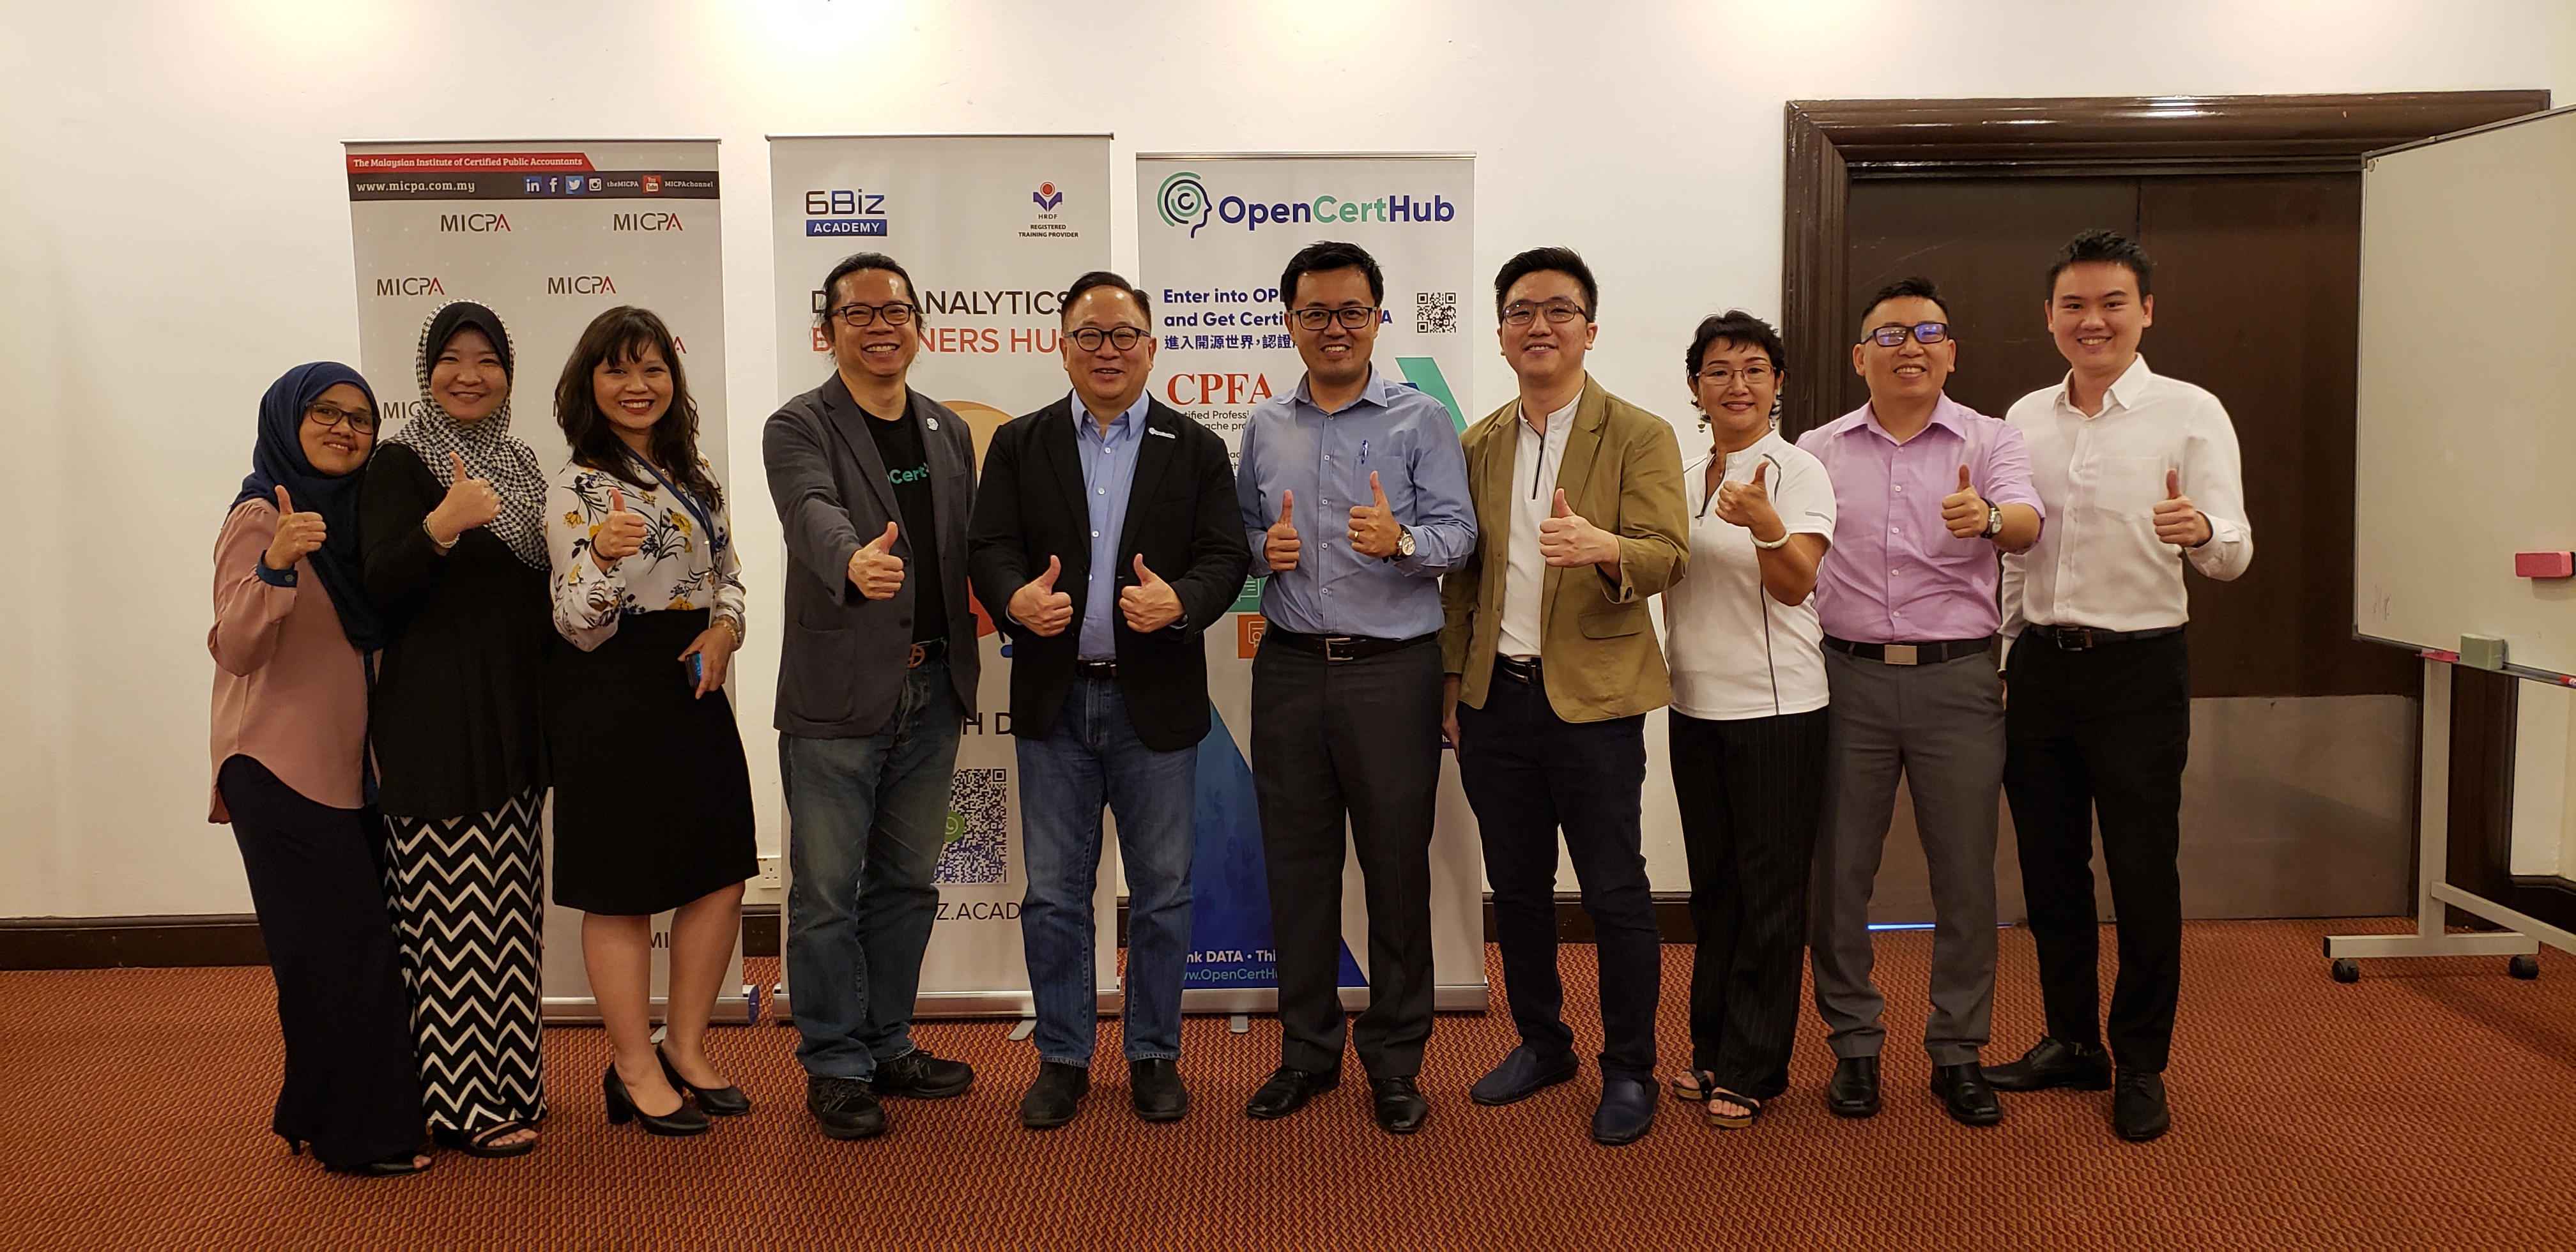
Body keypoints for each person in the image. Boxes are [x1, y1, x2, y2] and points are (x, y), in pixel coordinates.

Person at [967, 270, 1250, 1130]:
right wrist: (1014, 597)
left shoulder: (1193, 447)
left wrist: (1183, 602)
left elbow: (1225, 556)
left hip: (1153, 703)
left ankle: (1154, 1053)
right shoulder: (1019, 444)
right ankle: (1063, 1057)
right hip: (1055, 703)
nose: (1107, 350)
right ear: (1062, 347)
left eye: (1124, 335)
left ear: (1151, 348)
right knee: (1055, 893)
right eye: (1089, 335)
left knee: (1162, 891)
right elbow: (989, 546)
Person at [1986, 231, 2251, 1143]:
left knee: (2142, 871)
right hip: (2040, 667)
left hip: (2139, 668)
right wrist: (2005, 656)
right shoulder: (2024, 417)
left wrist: (2199, 528)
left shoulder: (2191, 412)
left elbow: (2234, 553)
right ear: (2049, 315)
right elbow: (2015, 552)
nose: (2091, 321)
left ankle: (2140, 1061)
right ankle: (2070, 1040)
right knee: (2050, 867)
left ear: (2146, 311)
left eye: (2111, 304)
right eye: (2074, 305)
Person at [1439, 247, 1687, 1147]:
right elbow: (1462, 581)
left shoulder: (1640, 434)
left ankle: (1630, 1068)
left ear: (1590, 328)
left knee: (1616, 890)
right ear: (1502, 333)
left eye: (1558, 310)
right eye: (1521, 311)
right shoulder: (1479, 442)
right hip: (1493, 702)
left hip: (1595, 706)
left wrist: (1605, 546)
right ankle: (1544, 1044)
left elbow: (1669, 553)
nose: (1538, 325)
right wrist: (1452, 685)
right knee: (1517, 888)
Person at [1234, 241, 1476, 1136]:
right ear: (1290, 322)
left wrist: (1401, 541)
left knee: (1396, 869)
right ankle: (1306, 1051)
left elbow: (1460, 536)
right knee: (1297, 870)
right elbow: (1237, 535)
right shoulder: (1265, 424)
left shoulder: (1422, 420)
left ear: (1378, 318)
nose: (1333, 328)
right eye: (1315, 313)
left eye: (1350, 312)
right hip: (1291, 668)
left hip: (1393, 673)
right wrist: (1263, 551)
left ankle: (1396, 1058)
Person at [1797, 276, 2042, 1129]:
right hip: (1846, 678)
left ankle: (1958, 1050)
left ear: (1952, 353)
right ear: (1859, 356)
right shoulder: (1819, 449)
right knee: (1838, 874)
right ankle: (1854, 1045)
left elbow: (2028, 521)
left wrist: (1988, 519)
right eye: (1892, 333)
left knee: (1966, 874)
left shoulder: (1991, 437)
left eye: (1929, 332)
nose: (1912, 346)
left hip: (1957, 680)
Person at [763, 252, 982, 1141]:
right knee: (825, 892)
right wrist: (851, 558)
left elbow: (971, 547)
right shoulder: (799, 424)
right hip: (837, 695)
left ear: (919, 324)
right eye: (859, 313)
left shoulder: (946, 429)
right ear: (828, 330)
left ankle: (888, 1040)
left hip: (934, 686)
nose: (880, 326)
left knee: (906, 884)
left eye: (895, 310)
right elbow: (809, 509)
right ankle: (834, 1062)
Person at [544, 306, 757, 1138]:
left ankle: (686, 1046)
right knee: (621, 887)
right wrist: (601, 555)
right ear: (589, 385)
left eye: (653, 368)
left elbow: (730, 576)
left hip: (694, 683)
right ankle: (633, 1065)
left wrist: (726, 630)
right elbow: (574, 622)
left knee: (720, 874)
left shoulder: (693, 473)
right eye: (618, 369)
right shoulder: (576, 485)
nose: (638, 386)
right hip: (609, 690)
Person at [210, 363, 427, 1177]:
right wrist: (274, 564)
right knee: (348, 956)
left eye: (361, 418)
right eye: (326, 413)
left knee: (320, 954)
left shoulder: (356, 518)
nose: (345, 429)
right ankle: (361, 1136)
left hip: (346, 770)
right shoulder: (262, 511)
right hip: (276, 766)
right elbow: (234, 646)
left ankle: (309, 1107)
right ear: (288, 420)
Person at [360, 301, 552, 1158]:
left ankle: (513, 1083)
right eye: (452, 359)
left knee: (509, 915)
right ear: (426, 371)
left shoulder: (524, 466)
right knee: (449, 923)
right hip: (436, 722)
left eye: (488, 360)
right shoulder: (399, 463)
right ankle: (459, 1102)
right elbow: (377, 589)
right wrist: (442, 524)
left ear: (509, 375)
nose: (469, 375)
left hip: (511, 719)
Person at [1656, 312, 1835, 1131]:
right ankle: (1711, 1046)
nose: (1737, 385)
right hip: (1693, 706)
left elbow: (1796, 584)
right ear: (1696, 387)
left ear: (1778, 383)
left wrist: (1765, 523)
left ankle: (1755, 1066)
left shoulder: (1799, 472)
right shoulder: (1682, 474)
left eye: (1754, 369)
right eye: (1719, 371)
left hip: (1778, 709)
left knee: (1771, 896)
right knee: (1717, 892)